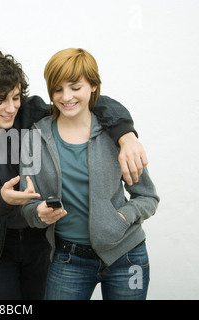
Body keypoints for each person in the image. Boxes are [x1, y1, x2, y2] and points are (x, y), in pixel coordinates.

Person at [0, 50, 147, 300]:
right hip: (0, 245)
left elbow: (88, 103)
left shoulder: (28, 113)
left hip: (43, 240)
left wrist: (126, 135)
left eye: (16, 97)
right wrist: (3, 199)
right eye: (0, 100)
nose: (11, 108)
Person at [20, 48, 160, 300]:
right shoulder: (34, 138)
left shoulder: (116, 135)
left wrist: (121, 217)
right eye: (58, 89)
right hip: (67, 260)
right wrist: (38, 213)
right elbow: (28, 204)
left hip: (127, 257)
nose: (66, 97)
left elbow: (147, 198)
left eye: (75, 87)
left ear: (93, 86)